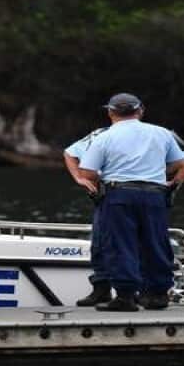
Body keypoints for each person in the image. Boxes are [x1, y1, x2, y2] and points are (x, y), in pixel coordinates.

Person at [77, 93, 184, 311]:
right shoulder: (161, 133)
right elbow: (180, 162)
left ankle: (125, 296)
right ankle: (158, 294)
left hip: (119, 194)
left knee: (121, 244)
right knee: (156, 242)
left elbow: (87, 172)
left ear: (110, 112)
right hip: (154, 194)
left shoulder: (104, 137)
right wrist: (161, 175)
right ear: (140, 110)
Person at [63, 125, 111, 306]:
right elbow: (70, 153)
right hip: (108, 192)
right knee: (99, 243)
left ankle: (138, 291)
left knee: (134, 242)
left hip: (138, 192)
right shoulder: (101, 133)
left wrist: (171, 184)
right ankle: (102, 289)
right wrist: (79, 177)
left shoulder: (152, 133)